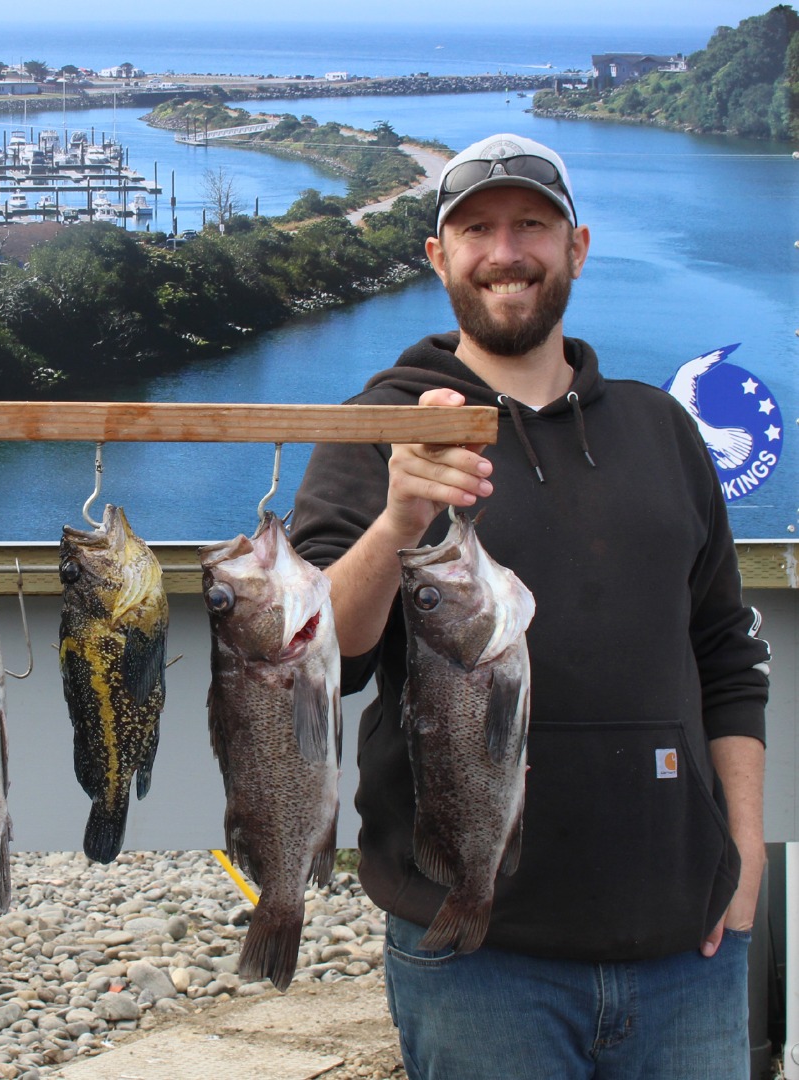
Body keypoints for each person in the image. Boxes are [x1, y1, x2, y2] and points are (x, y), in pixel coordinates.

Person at [291, 134, 769, 1078]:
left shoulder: (662, 429)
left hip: (689, 951)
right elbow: (321, 659)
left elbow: (726, 655)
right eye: (477, 229)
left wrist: (746, 854)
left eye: (532, 227)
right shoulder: (379, 427)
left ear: (576, 248)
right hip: (476, 961)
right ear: (438, 257)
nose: (505, 252)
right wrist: (396, 524)